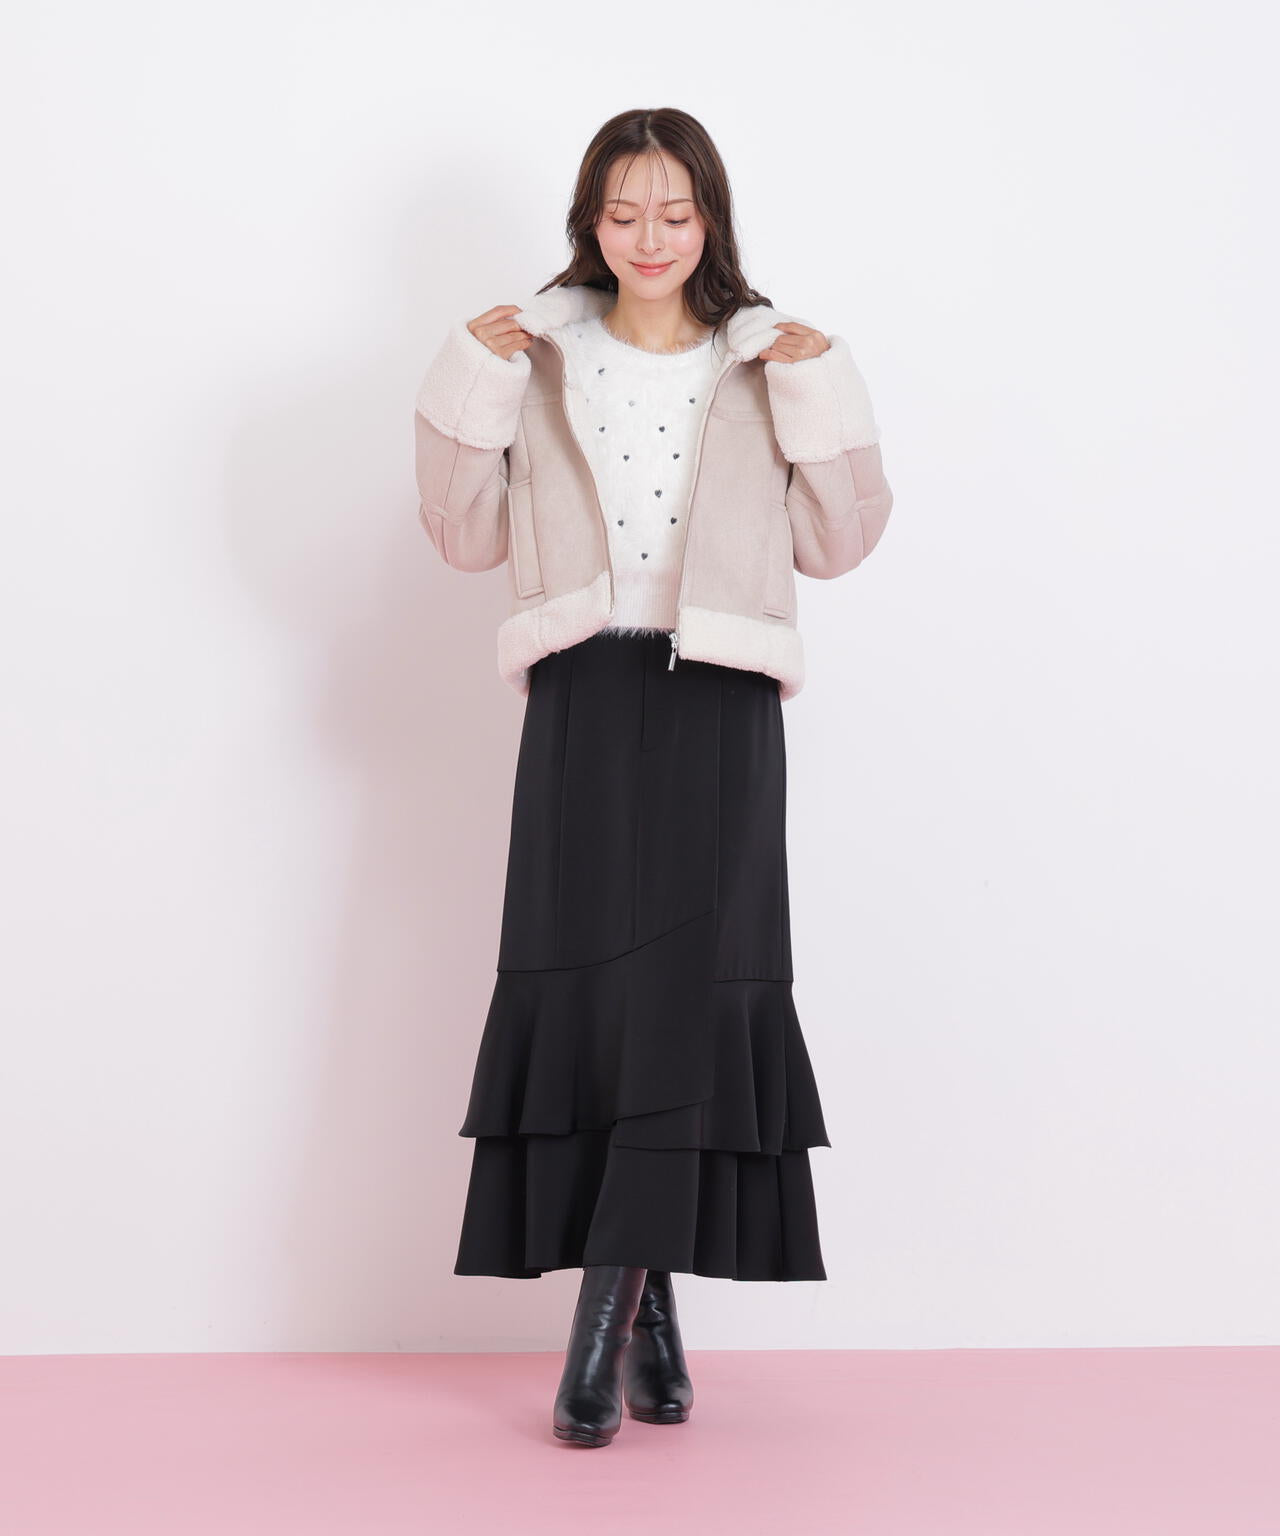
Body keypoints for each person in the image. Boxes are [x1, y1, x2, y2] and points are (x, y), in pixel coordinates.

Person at [412, 106, 894, 1448]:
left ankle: (600, 1324)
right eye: (623, 212)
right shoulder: (541, 356)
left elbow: (842, 542)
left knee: (687, 995)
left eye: (674, 212)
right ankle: (647, 1306)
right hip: (581, 687)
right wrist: (471, 381)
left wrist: (820, 390)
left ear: (710, 220)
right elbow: (459, 534)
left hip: (723, 693)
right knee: (595, 998)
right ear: (590, 221)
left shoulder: (763, 360)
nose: (649, 237)